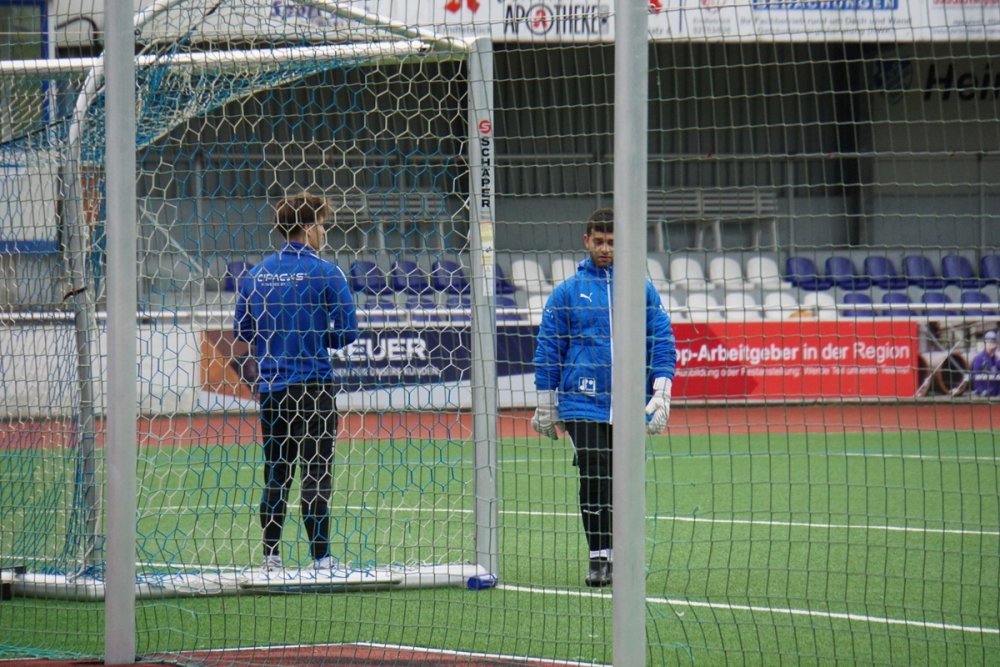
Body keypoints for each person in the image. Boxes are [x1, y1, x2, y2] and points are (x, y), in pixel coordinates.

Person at [531, 208, 676, 587]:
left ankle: (622, 553)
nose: (605, 249)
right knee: (595, 470)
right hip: (581, 401)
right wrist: (546, 401)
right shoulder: (567, 292)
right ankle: (599, 556)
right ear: (587, 241)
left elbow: (661, 338)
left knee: (623, 479)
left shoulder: (640, 289)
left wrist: (662, 391)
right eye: (599, 241)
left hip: (628, 402)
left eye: (612, 242)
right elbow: (549, 348)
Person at [234, 192, 359, 572]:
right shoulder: (327, 272)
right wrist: (318, 336)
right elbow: (348, 331)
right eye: (322, 224)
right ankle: (321, 558)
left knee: (277, 472)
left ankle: (271, 557)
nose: (324, 232)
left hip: (273, 389)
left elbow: (243, 334)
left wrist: (276, 343)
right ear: (307, 226)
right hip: (314, 387)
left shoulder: (255, 275)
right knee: (316, 471)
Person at [970, 330, 1000, 398]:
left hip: (996, 394)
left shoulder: (996, 359)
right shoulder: (979, 358)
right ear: (985, 343)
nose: (992, 344)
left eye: (993, 342)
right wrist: (981, 391)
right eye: (989, 342)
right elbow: (975, 377)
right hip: (984, 395)